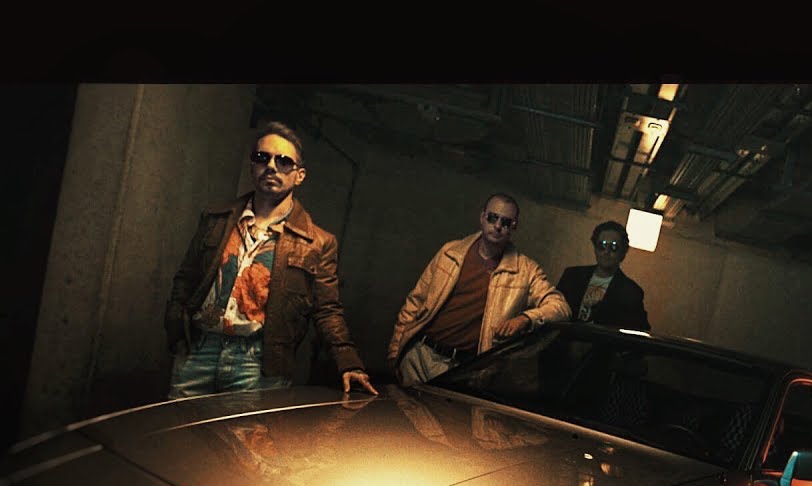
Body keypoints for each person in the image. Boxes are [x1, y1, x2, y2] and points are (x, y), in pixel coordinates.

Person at [165, 120, 377, 398]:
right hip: (198, 350)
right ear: (252, 166)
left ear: (299, 175)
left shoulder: (317, 242)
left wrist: (348, 362)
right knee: (181, 425)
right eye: (262, 157)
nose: (272, 166)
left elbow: (327, 310)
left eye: (284, 161)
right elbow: (186, 278)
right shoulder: (216, 219)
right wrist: (175, 326)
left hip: (258, 362)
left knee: (247, 428)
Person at [387, 192, 570, 385]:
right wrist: (395, 353)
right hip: (417, 357)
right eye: (492, 218)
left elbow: (561, 308)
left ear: (514, 227)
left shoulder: (526, 270)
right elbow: (414, 303)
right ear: (482, 217)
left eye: (506, 222)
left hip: (462, 371)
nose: (497, 226)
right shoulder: (450, 252)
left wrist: (525, 319)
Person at [556, 220, 651, 332]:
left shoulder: (631, 292)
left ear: (623, 252)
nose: (606, 252)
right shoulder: (572, 276)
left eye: (613, 247)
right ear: (595, 248)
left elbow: (640, 330)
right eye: (602, 246)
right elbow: (555, 309)